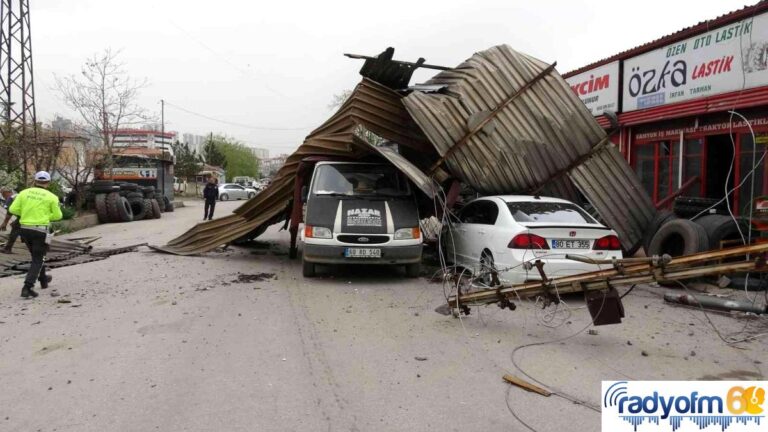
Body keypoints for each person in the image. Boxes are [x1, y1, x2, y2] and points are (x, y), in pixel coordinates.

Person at [9, 171, 63, 299]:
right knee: (38, 258)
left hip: (25, 229)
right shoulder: (51, 197)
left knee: (36, 256)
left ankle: (43, 279)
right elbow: (58, 216)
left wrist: (26, 213)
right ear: (48, 183)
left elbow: (12, 209)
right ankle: (27, 287)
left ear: (35, 181)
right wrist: (45, 216)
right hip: (40, 230)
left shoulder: (23, 193)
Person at [0, 186, 20, 253]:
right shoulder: (19, 195)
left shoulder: (11, 198)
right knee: (15, 225)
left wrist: (5, 223)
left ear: (7, 192)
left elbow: (10, 211)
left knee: (15, 226)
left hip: (26, 217)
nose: (3, 196)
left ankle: (8, 248)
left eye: (3, 194)